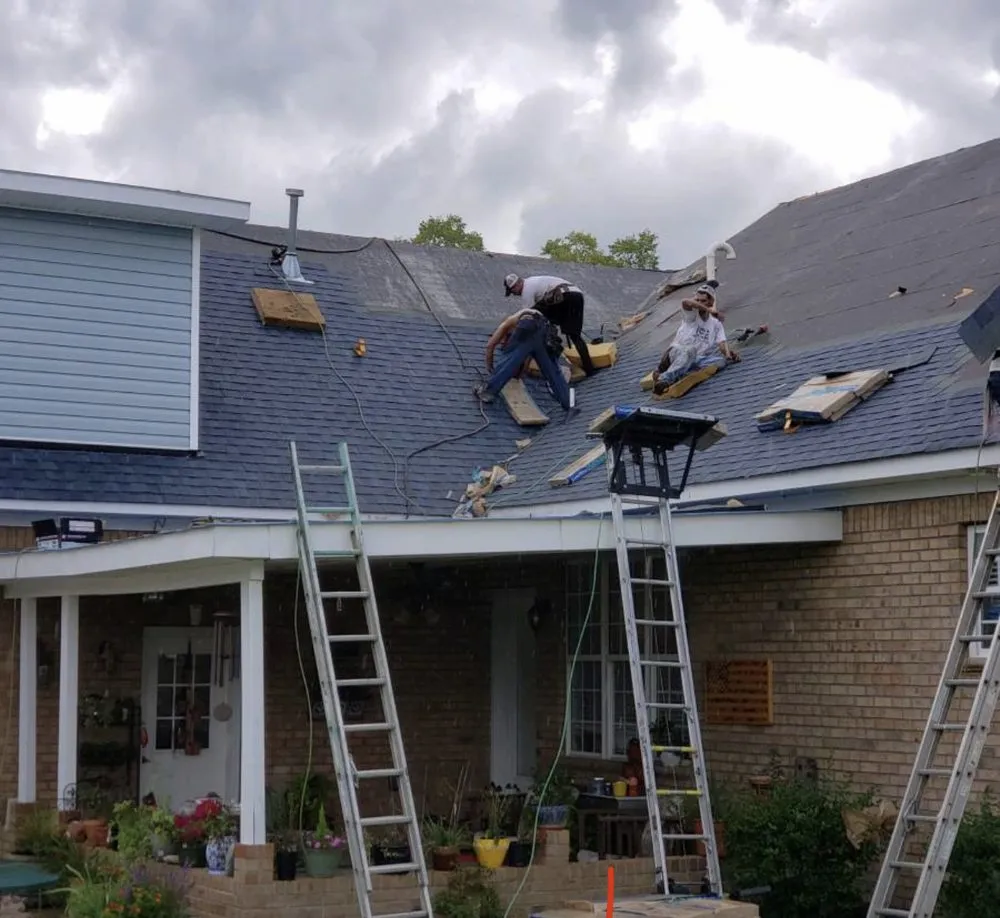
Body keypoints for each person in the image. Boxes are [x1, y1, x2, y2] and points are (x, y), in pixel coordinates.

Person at [474, 307, 572, 409]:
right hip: (546, 330)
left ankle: (489, 391)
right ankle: (568, 403)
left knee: (509, 359)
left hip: (529, 324)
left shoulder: (507, 323)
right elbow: (526, 358)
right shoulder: (526, 335)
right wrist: (519, 375)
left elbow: (490, 346)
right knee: (552, 370)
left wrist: (490, 367)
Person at [651, 284, 740, 395]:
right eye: (697, 300)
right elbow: (685, 302)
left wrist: (729, 355)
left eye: (703, 301)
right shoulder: (692, 315)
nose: (698, 303)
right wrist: (709, 309)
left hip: (695, 359)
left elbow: (722, 344)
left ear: (711, 302)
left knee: (720, 361)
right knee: (690, 350)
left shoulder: (716, 324)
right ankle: (664, 379)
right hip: (675, 353)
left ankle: (682, 373)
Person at [503, 273, 597, 376]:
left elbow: (527, 316)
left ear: (517, 285)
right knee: (574, 335)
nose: (515, 294)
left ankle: (548, 349)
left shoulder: (527, 290)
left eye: (512, 292)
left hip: (562, 296)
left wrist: (511, 333)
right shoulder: (533, 281)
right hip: (576, 295)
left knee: (533, 318)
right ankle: (589, 369)